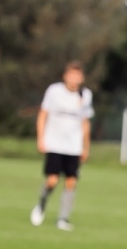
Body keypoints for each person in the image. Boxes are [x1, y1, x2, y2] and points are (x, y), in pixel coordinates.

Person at [33, 62, 93, 231]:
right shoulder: (54, 91)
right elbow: (43, 115)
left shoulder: (85, 95)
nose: (74, 79)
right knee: (52, 180)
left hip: (74, 146)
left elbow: (85, 122)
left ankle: (63, 218)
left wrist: (85, 147)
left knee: (71, 182)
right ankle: (42, 204)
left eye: (77, 76)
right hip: (54, 144)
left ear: (81, 78)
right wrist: (41, 138)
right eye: (71, 75)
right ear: (65, 76)